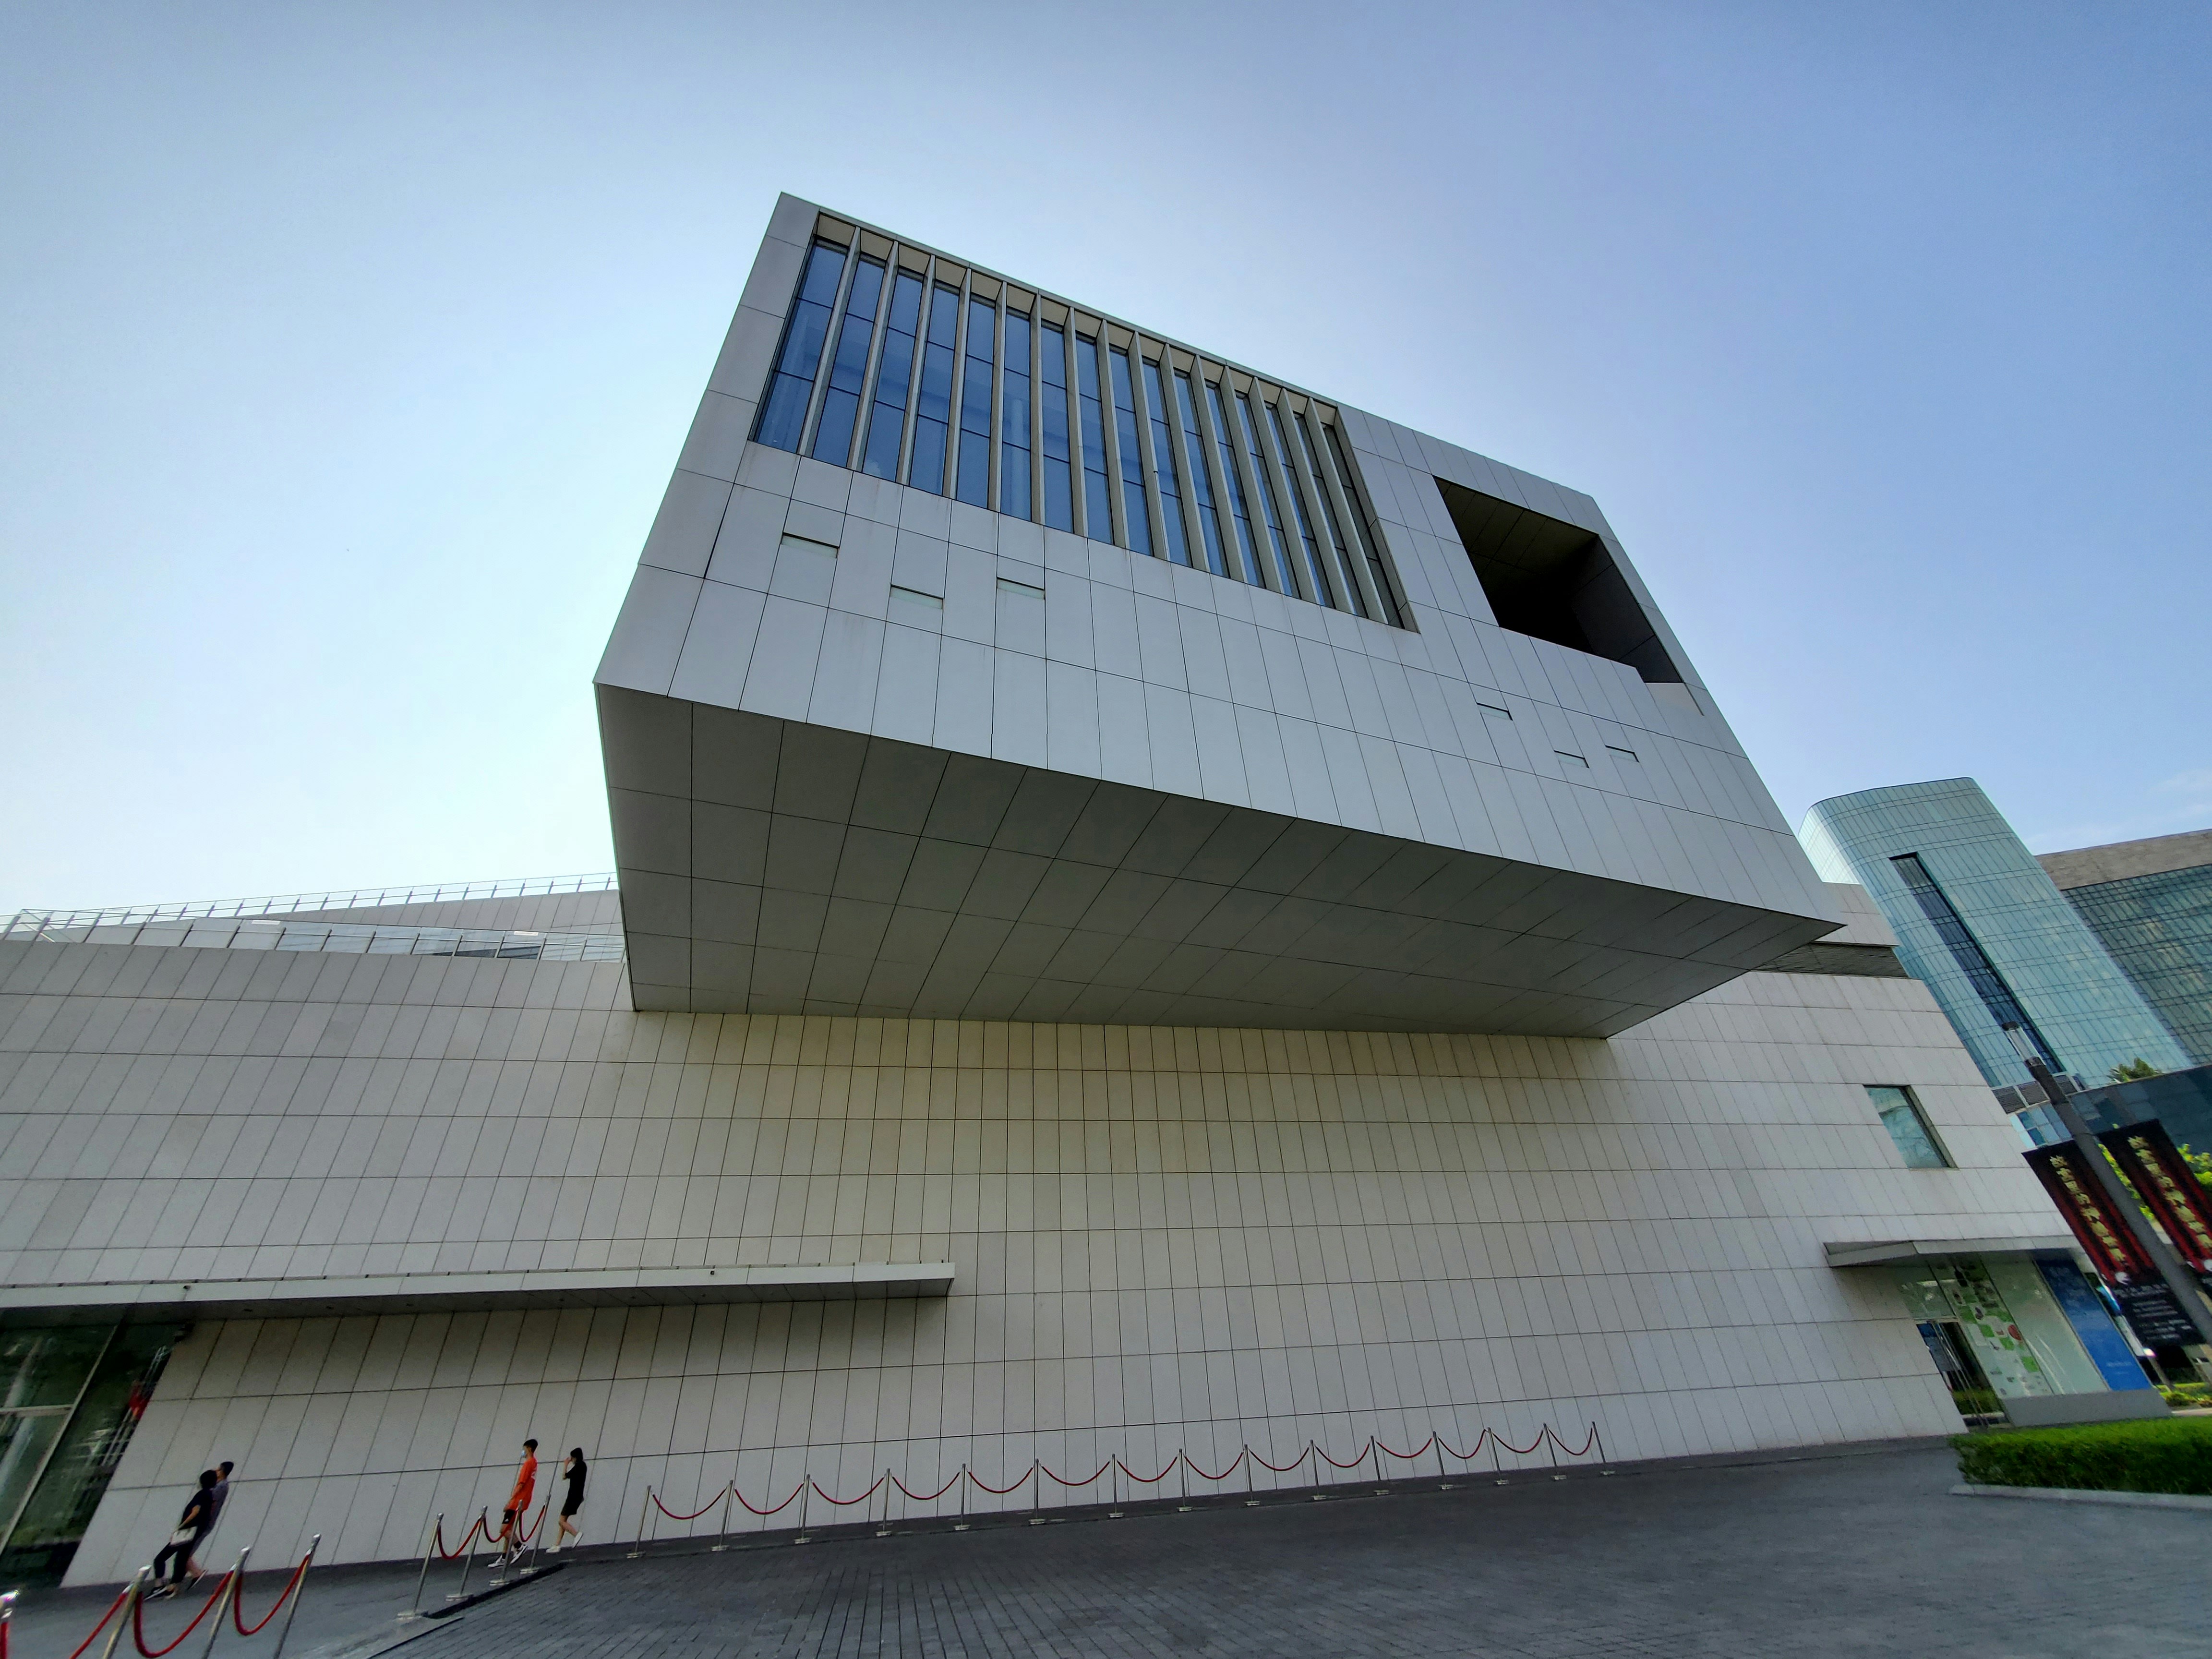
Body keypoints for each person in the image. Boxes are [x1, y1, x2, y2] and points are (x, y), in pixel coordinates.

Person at [149, 1471, 218, 1596]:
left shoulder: (202, 1495)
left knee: (161, 1558)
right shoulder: (210, 1495)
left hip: (186, 1531)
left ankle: (160, 1585)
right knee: (182, 1557)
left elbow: (195, 1512)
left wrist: (179, 1528)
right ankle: (173, 1585)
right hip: (194, 1531)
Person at [186, 1461, 234, 1579]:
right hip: (205, 1522)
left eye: (218, 1470)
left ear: (222, 1472)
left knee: (186, 1552)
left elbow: (211, 1504)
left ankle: (197, 1574)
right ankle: (191, 1575)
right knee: (187, 1551)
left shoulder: (221, 1487)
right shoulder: (221, 1485)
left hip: (204, 1523)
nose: (215, 1472)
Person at [496, 1439, 538, 1561]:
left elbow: (521, 1483)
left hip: (518, 1501)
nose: (523, 1452)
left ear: (529, 1449)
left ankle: (519, 1546)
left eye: (524, 1449)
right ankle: (504, 1557)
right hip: (524, 1500)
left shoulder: (528, 1464)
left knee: (504, 1529)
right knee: (509, 1528)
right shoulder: (535, 1463)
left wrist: (511, 1500)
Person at [550, 1448, 586, 1551]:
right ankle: (557, 1545)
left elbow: (564, 1476)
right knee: (564, 1520)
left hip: (573, 1497)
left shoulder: (579, 1466)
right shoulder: (583, 1466)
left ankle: (576, 1534)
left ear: (575, 1457)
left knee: (561, 1521)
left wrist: (566, 1465)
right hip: (577, 1496)